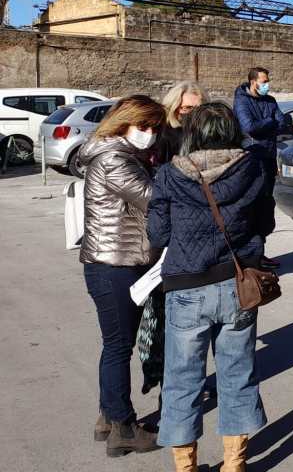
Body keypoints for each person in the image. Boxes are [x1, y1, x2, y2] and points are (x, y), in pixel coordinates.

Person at [147, 102, 272, 472]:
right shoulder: (254, 168)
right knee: (238, 375)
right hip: (237, 284)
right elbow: (264, 223)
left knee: (182, 381)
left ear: (193, 134)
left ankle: (185, 468)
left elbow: (157, 233)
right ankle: (235, 464)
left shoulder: (170, 175)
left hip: (186, 286)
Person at [79, 94, 166, 457]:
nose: (150, 135)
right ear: (123, 123)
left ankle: (108, 418)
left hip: (117, 261)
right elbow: (153, 198)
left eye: (154, 129)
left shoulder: (122, 155)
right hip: (113, 265)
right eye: (143, 127)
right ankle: (123, 427)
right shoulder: (114, 159)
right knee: (118, 347)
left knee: (114, 345)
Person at [233, 67, 285, 263]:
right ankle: (249, 257)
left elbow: (283, 123)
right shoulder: (241, 101)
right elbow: (248, 127)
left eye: (267, 81)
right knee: (251, 206)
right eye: (263, 82)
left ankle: (259, 254)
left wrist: (268, 123)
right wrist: (271, 121)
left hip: (269, 157)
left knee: (265, 207)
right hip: (252, 159)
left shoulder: (270, 101)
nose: (266, 85)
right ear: (253, 82)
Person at [156, 81, 209, 165]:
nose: (194, 113)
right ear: (174, 106)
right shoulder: (162, 134)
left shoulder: (206, 131)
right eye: (187, 108)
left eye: (199, 108)